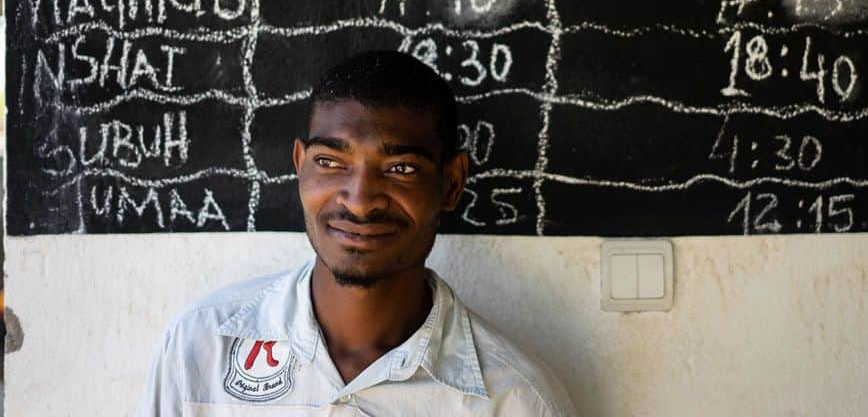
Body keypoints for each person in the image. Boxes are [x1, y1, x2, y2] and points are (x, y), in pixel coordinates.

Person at [137, 50, 576, 416]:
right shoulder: (202, 348)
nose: (361, 200)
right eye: (330, 162)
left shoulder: (514, 400)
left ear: (451, 183)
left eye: (401, 169)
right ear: (299, 164)